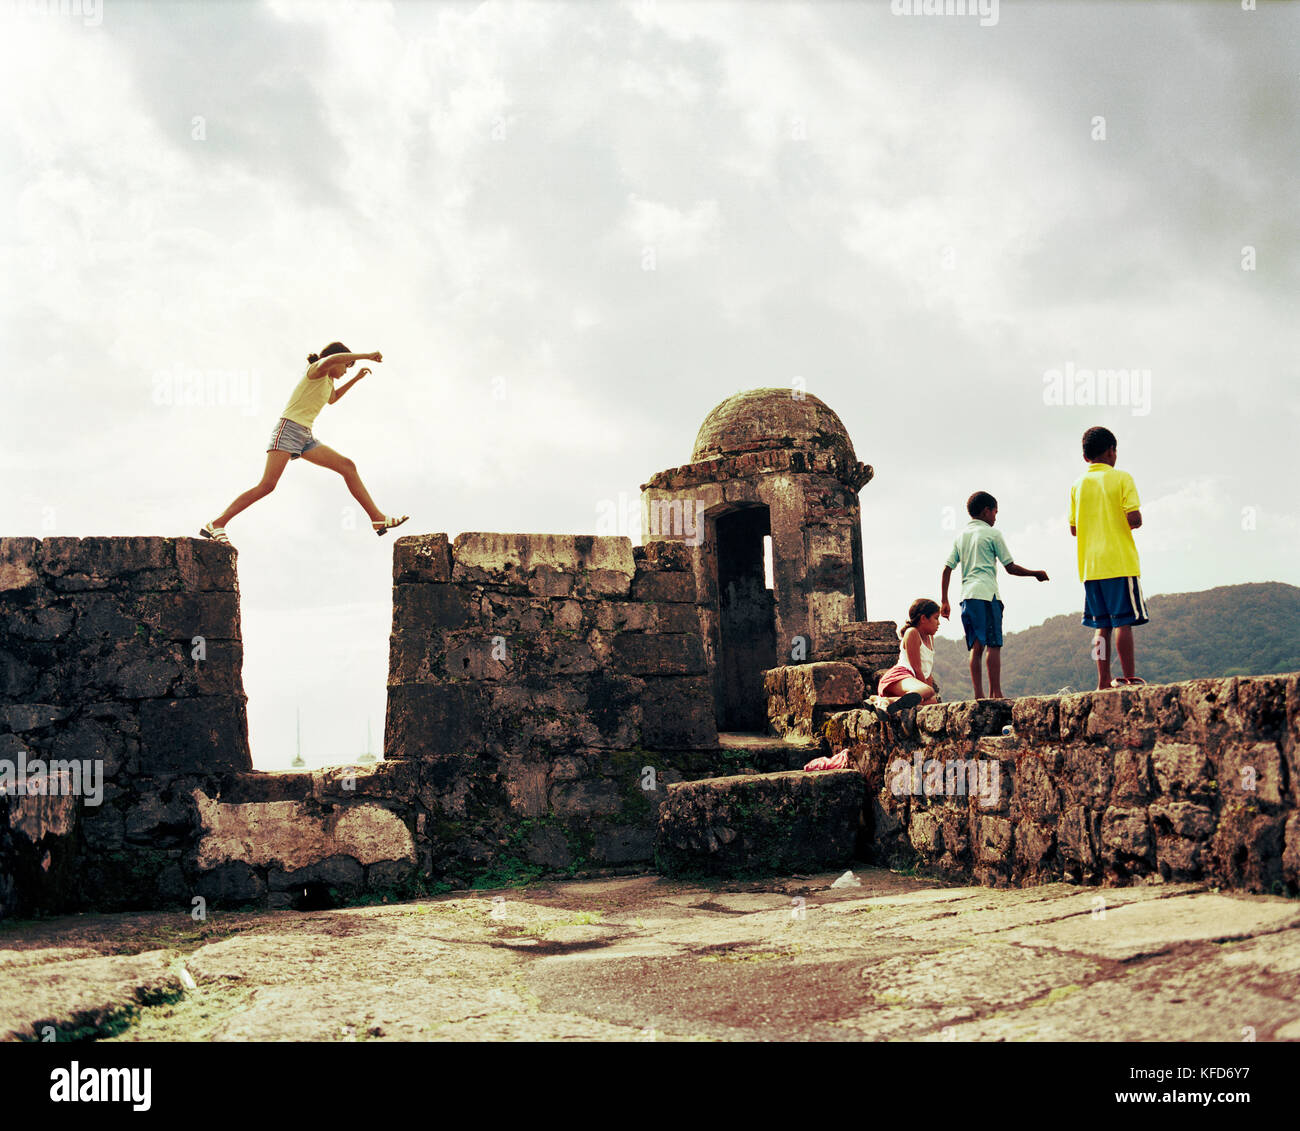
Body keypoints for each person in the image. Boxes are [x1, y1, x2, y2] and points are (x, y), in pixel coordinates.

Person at [201, 342, 408, 545]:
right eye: (346, 366)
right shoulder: (316, 371)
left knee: (347, 466)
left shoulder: (327, 382)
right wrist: (366, 355)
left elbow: (333, 398)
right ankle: (217, 523)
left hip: (305, 437)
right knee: (267, 485)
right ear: (334, 360)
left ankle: (377, 518)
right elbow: (333, 359)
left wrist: (355, 378)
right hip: (289, 429)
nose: (345, 370)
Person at [940, 491, 1049, 699]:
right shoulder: (992, 534)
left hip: (967, 597)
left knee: (975, 646)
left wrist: (944, 600)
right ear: (986, 511)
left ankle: (979, 695)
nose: (995, 517)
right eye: (995, 512)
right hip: (987, 595)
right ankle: (996, 693)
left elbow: (947, 568)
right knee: (994, 643)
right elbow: (1010, 567)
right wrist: (1036, 574)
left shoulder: (961, 536)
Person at [1069, 425, 1147, 689]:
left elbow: (1073, 528)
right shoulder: (1121, 478)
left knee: (1101, 626)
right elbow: (1134, 518)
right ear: (1112, 451)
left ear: (1085, 456)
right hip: (1118, 561)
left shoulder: (1077, 486)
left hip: (1090, 566)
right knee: (1124, 621)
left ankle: (1103, 681)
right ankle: (1128, 678)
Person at [875, 597, 942, 715]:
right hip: (899, 677)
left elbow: (928, 673)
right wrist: (927, 691)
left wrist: (928, 695)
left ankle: (884, 701)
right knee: (928, 691)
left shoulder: (930, 638)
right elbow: (916, 668)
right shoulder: (912, 633)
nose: (938, 623)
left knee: (933, 702)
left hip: (913, 684)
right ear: (923, 618)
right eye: (936, 618)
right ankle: (885, 700)